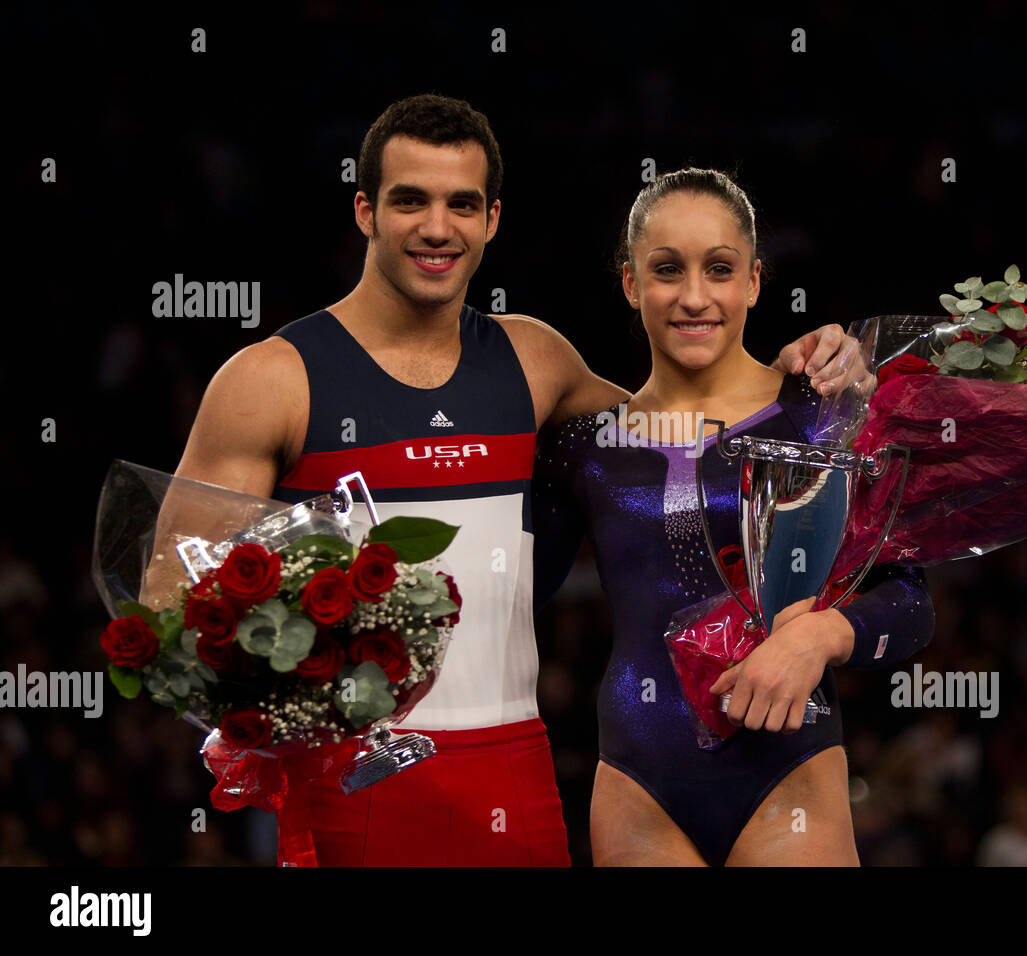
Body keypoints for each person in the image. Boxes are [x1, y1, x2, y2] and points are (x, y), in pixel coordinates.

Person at [171, 95, 848, 865]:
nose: (437, 227)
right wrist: (270, 711)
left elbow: (687, 434)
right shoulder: (272, 380)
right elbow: (173, 598)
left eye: (462, 203)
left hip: (514, 780)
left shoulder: (537, 363)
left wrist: (816, 379)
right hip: (352, 782)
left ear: (492, 219)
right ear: (364, 210)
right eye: (409, 201)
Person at [533, 168, 935, 865]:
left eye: (719, 269)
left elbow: (911, 603)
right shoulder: (586, 447)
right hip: (637, 784)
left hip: (790, 772)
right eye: (667, 270)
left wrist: (818, 639)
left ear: (753, 280)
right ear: (630, 284)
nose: (694, 296)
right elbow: (511, 595)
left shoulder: (820, 416)